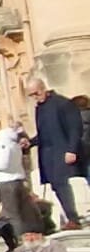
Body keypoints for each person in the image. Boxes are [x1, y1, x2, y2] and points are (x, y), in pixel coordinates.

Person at [27, 79, 83, 231]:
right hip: (47, 154)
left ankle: (73, 218)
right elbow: (43, 133)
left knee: (61, 184)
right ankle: (68, 217)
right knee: (56, 186)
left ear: (43, 88)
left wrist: (72, 150)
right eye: (31, 95)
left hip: (61, 150)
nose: (35, 97)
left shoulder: (62, 103)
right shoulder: (40, 108)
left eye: (36, 93)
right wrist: (30, 142)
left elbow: (75, 128)